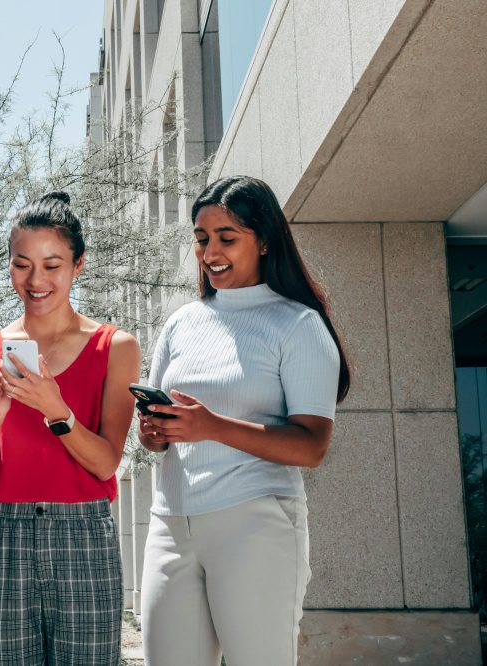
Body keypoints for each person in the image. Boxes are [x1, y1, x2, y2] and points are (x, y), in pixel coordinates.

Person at [138, 175, 351, 666]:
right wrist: (156, 433)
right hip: (171, 522)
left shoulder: (297, 324)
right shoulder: (181, 323)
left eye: (226, 238)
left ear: (265, 240)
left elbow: (312, 447)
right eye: (201, 238)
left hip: (254, 524)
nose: (211, 250)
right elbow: (162, 433)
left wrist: (212, 427)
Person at [0, 192, 141, 665]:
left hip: (84, 534)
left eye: (52, 265)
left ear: (78, 266)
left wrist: (57, 411)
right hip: (4, 535)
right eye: (22, 265)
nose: (35, 280)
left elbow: (105, 463)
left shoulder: (115, 347)